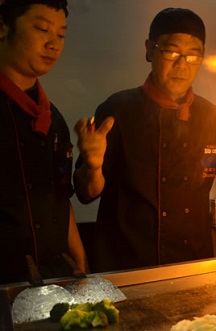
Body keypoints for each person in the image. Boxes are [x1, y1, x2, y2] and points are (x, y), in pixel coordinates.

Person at [74, 8, 216, 272]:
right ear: (150, 50)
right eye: (171, 52)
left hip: (192, 266)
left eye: (193, 54)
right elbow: (86, 193)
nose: (182, 64)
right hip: (126, 267)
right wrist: (91, 166)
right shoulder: (118, 110)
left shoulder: (213, 117)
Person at [0, 0, 89, 284]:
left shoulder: (53, 120)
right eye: (42, 29)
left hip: (53, 281)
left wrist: (81, 262)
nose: (54, 44)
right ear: (3, 27)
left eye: (61, 35)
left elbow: (61, 200)